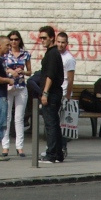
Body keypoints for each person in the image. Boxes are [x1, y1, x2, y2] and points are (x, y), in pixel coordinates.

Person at [37, 24, 66, 163]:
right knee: (54, 124)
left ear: (51, 38)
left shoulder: (52, 54)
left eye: (44, 38)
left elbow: (50, 75)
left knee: (51, 125)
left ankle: (51, 154)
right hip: (54, 92)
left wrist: (45, 93)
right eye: (40, 38)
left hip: (52, 93)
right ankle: (58, 154)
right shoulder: (52, 53)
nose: (42, 40)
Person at [2, 30, 31, 157]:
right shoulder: (5, 54)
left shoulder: (25, 54)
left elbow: (30, 71)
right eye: (11, 40)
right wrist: (9, 71)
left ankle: (20, 147)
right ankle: (5, 146)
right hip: (8, 86)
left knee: (19, 118)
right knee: (7, 117)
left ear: (20, 40)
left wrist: (22, 72)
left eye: (16, 39)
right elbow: (1, 68)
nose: (13, 42)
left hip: (20, 86)